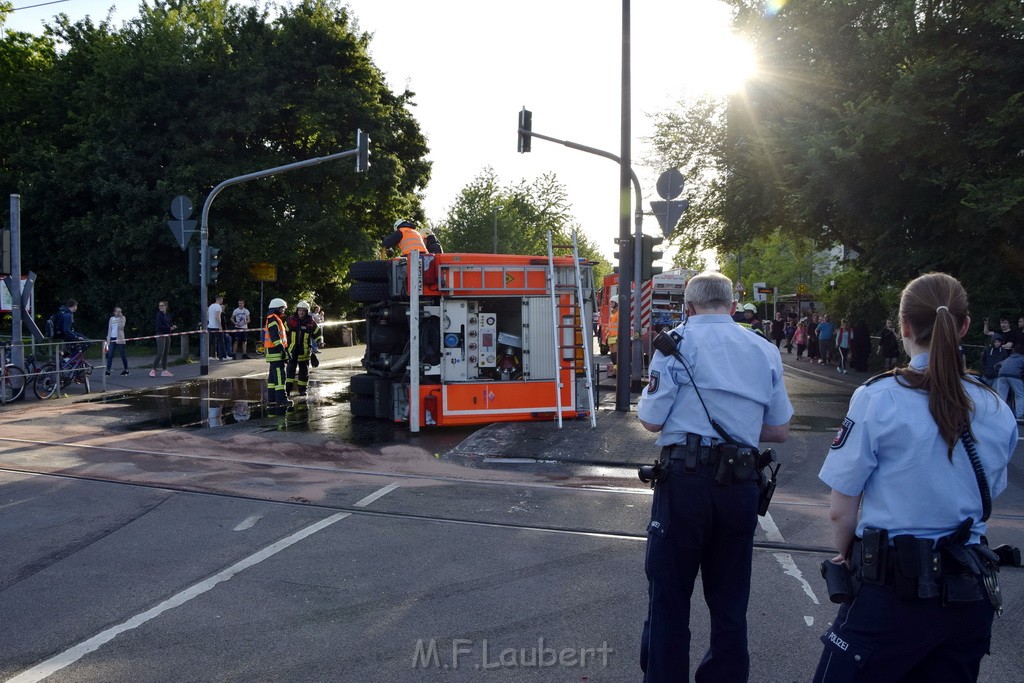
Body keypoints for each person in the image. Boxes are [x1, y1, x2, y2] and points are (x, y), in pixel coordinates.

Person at [814, 272, 1016, 682]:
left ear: (904, 326)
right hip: (966, 595)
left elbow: (841, 509)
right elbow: (988, 494)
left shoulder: (878, 397)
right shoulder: (997, 408)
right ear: (964, 326)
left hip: (891, 593)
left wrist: (850, 553)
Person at [636, 271, 793, 682]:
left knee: (669, 597)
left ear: (687, 307)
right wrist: (737, 422)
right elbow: (778, 429)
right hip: (741, 482)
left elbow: (652, 421)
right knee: (729, 601)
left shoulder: (676, 343)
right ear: (733, 306)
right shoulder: (763, 349)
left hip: (685, 481)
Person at [285, 300, 322, 397]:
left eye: (303, 311)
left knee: (304, 372)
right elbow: (283, 333)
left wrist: (320, 342)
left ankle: (302, 390)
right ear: (297, 310)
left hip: (305, 351)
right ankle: (287, 391)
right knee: (290, 372)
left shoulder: (310, 322)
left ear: (306, 311)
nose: (301, 312)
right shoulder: (290, 320)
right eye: (299, 310)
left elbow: (317, 333)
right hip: (292, 351)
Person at [264, 298, 290, 414]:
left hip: (272, 351)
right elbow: (275, 337)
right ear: (276, 308)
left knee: (273, 377)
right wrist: (282, 349)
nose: (283, 311)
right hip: (275, 351)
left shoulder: (274, 318)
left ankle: (272, 398)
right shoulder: (273, 319)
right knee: (280, 376)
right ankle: (281, 399)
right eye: (282, 309)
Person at [993, 346, 1024, 422]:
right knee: (1020, 395)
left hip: (1001, 375)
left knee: (1001, 396)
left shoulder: (1008, 359)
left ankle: (1000, 413)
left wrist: (999, 371)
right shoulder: (1022, 358)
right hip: (1014, 376)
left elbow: (996, 366)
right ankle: (1019, 416)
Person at [150, 300, 177, 377]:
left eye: (162, 305)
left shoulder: (168, 315)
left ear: (166, 306)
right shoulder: (159, 315)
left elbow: (170, 323)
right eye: (159, 306)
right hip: (160, 335)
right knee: (160, 353)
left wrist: (173, 326)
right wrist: (169, 328)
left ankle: (164, 371)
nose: (161, 307)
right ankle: (153, 370)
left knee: (165, 354)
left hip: (167, 335)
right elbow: (159, 326)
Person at [104, 306, 129, 376]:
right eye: (117, 312)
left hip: (119, 338)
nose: (119, 313)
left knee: (122, 354)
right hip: (112, 338)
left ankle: (126, 369)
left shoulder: (123, 318)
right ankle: (108, 370)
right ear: (114, 312)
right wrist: (108, 338)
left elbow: (121, 327)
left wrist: (120, 318)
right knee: (110, 354)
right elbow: (109, 329)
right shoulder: (111, 319)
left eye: (120, 311)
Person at [207, 295, 227, 361]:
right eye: (222, 299)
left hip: (210, 326)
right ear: (220, 299)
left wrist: (210, 322)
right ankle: (223, 356)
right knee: (221, 341)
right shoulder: (218, 306)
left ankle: (210, 356)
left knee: (211, 342)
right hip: (216, 327)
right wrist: (220, 326)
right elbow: (217, 317)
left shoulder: (210, 306)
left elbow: (207, 316)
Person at [606, 301, 619, 378]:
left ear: (616, 303)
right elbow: (611, 325)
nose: (610, 304)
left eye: (612, 303)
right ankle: (615, 372)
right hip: (611, 337)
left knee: (616, 356)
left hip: (616, 337)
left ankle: (616, 372)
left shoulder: (618, 313)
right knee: (613, 356)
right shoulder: (613, 313)